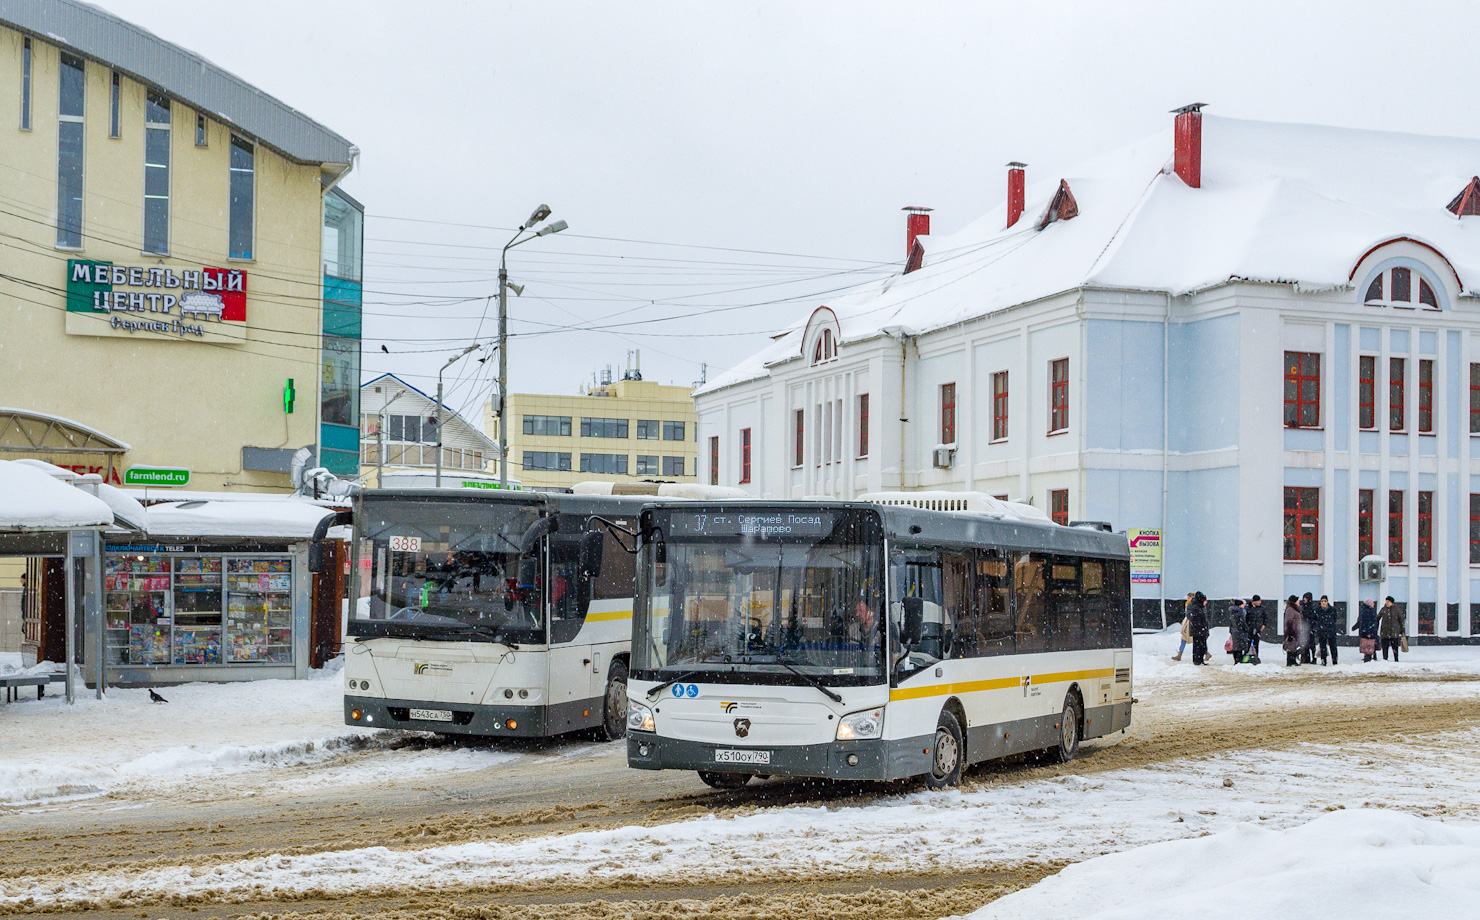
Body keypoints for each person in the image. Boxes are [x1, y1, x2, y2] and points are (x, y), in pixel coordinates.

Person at [1186, 591, 1211, 665]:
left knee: (1201, 645)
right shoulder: (1195, 606)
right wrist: (1201, 625)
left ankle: (1200, 660)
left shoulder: (1199, 606)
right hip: (1198, 629)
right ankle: (1197, 660)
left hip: (1200, 629)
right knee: (1198, 646)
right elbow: (1192, 617)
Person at [1314, 595, 1339, 665]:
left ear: (1327, 602)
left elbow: (1334, 619)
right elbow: (1315, 619)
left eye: (1325, 601)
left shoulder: (1332, 609)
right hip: (1322, 631)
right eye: (1322, 601)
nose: (1324, 603)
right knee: (1323, 647)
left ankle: (1334, 660)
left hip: (1331, 630)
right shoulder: (1317, 610)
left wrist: (1330, 625)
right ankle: (1323, 660)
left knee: (1333, 647)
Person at [1378, 596, 1405, 662]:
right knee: (1385, 647)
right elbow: (1377, 618)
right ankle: (1385, 659)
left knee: (1395, 647)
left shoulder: (1396, 610)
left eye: (1388, 602)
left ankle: (1396, 659)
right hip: (1385, 632)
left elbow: (1401, 620)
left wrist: (1402, 630)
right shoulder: (1383, 609)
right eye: (1386, 601)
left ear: (1392, 602)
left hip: (1394, 632)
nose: (1387, 603)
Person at [1283, 595, 1307, 667]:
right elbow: (1288, 621)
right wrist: (1290, 632)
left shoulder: (1296, 609)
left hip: (1296, 631)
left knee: (1294, 646)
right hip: (1292, 631)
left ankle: (1293, 660)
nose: (1299, 601)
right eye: (1297, 600)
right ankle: (1290, 661)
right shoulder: (1290, 609)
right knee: (1291, 646)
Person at [1172, 592, 1194, 661]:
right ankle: (1179, 655)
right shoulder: (1188, 604)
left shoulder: (1193, 605)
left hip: (1190, 623)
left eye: (1189, 598)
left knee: (1195, 640)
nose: (1187, 599)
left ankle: (1179, 655)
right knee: (1184, 638)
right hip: (1187, 622)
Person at [1246, 595, 1267, 663]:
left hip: (1258, 629)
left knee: (1256, 644)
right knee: (1248, 645)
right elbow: (1245, 618)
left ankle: (1255, 658)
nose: (1260, 602)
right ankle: (1247, 659)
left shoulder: (1262, 608)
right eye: (1259, 601)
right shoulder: (1248, 608)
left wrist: (1264, 625)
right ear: (1254, 601)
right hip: (1249, 629)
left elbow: (1265, 617)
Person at [1227, 599, 1249, 663]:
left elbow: (1231, 623)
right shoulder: (1240, 612)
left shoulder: (1232, 612)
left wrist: (1231, 631)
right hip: (1240, 632)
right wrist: (1247, 629)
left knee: (1235, 647)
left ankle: (1236, 660)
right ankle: (1240, 660)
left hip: (1234, 631)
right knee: (1241, 647)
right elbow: (1243, 623)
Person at [1299, 592, 1318, 664]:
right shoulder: (1302, 606)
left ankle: (1314, 658)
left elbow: (1314, 619)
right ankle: (1305, 658)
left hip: (1310, 628)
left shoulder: (1312, 608)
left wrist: (1313, 628)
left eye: (1306, 598)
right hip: (1304, 628)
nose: (1304, 599)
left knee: (1312, 645)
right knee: (1304, 644)